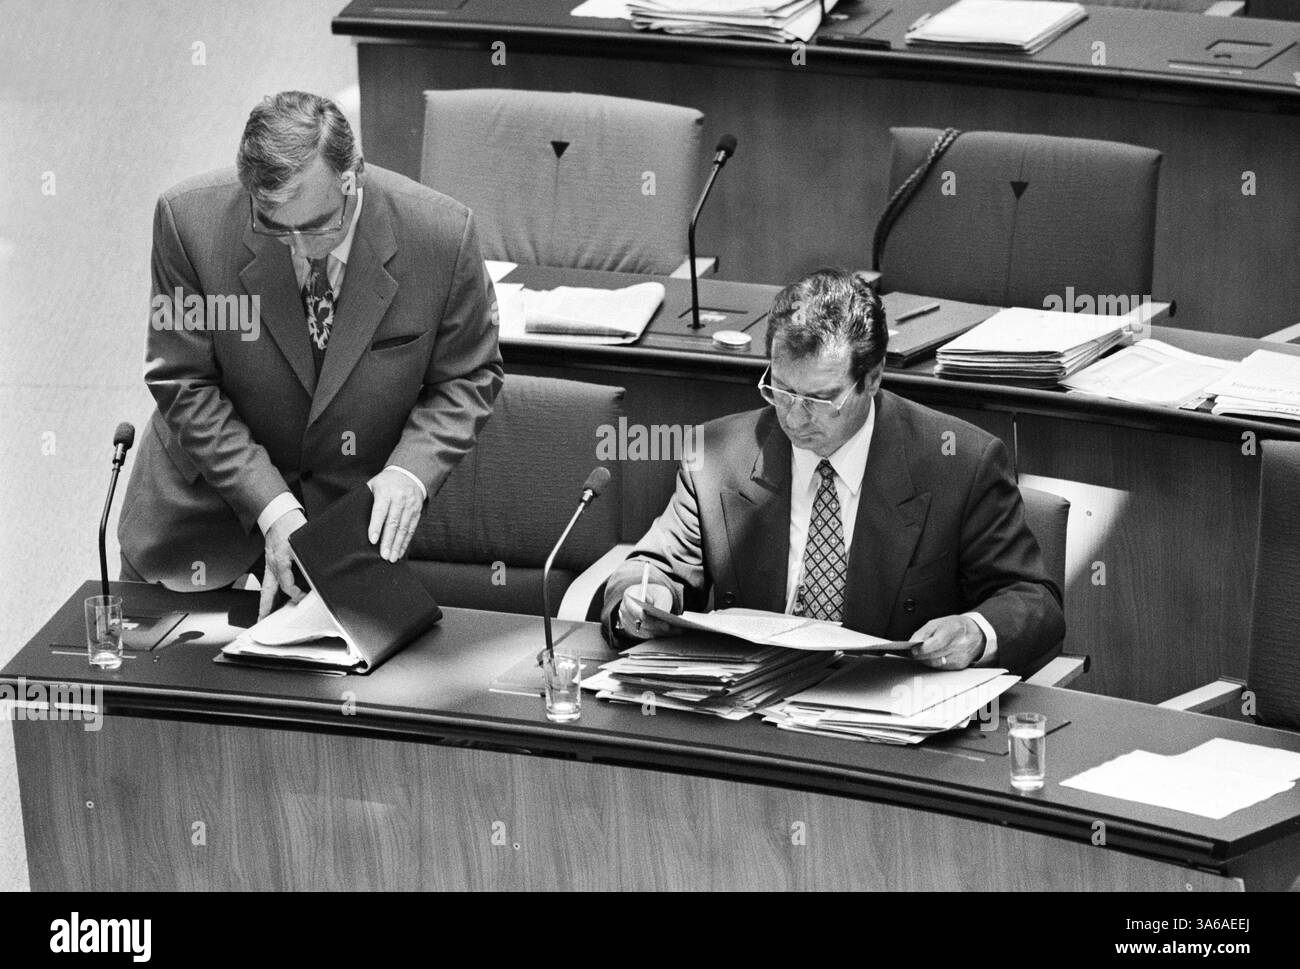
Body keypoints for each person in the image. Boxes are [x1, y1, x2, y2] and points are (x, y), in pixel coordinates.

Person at [118, 91, 503, 618]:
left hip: (345, 529)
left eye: (317, 224)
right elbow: (184, 382)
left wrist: (410, 473)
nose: (298, 248)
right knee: (165, 693)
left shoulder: (441, 235)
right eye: (275, 228)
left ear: (354, 176)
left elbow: (468, 376)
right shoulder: (189, 222)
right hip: (200, 517)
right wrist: (272, 507)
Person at [603, 268, 1064, 674]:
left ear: (874, 378)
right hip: (754, 702)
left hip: (886, 709)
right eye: (781, 391)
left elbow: (1033, 603)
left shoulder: (961, 463)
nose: (795, 418)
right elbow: (652, 566)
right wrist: (645, 599)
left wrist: (975, 631)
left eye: (822, 400)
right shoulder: (717, 456)